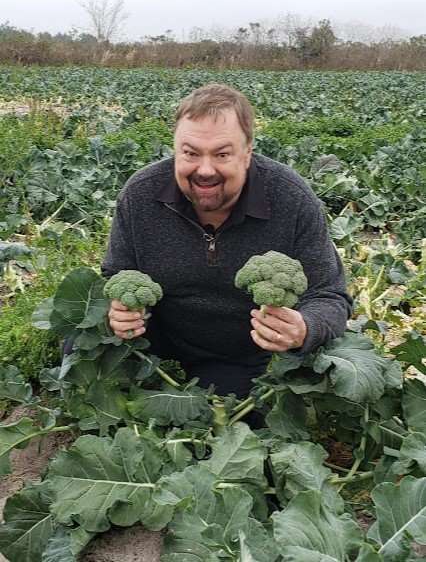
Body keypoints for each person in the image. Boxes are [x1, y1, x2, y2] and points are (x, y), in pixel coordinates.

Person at [102, 83, 352, 398]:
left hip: (241, 357)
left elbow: (330, 298)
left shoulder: (291, 198)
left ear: (247, 153)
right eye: (190, 153)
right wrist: (121, 313)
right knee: (82, 351)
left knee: (222, 408)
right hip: (158, 344)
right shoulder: (141, 195)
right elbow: (115, 274)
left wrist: (304, 327)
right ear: (175, 149)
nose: (205, 170)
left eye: (222, 154)